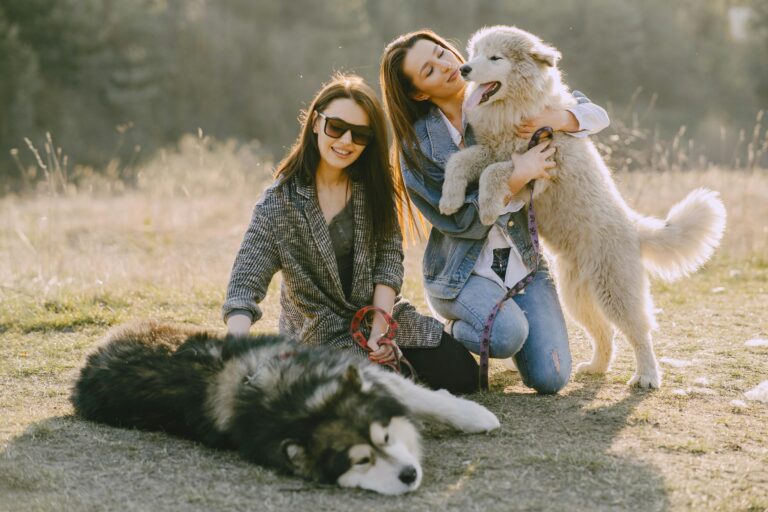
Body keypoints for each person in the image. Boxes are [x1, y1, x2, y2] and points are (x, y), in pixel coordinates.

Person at [380, 30, 610, 394]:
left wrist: (561, 118)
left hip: (522, 263)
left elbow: (595, 114)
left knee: (551, 378)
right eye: (429, 70)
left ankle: (506, 321)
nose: (445, 66)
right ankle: (451, 330)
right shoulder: (417, 147)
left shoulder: (504, 91)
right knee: (506, 335)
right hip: (461, 271)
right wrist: (518, 175)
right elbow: (459, 221)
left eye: (441, 53)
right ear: (419, 93)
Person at [222, 74, 479, 394]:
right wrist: (235, 347)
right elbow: (245, 281)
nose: (345, 141)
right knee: (372, 389)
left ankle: (396, 364)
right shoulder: (279, 203)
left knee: (464, 375)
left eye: (359, 135)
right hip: (319, 332)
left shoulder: (373, 189)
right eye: (336, 127)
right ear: (316, 123)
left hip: (379, 315)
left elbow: (389, 259)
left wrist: (381, 330)